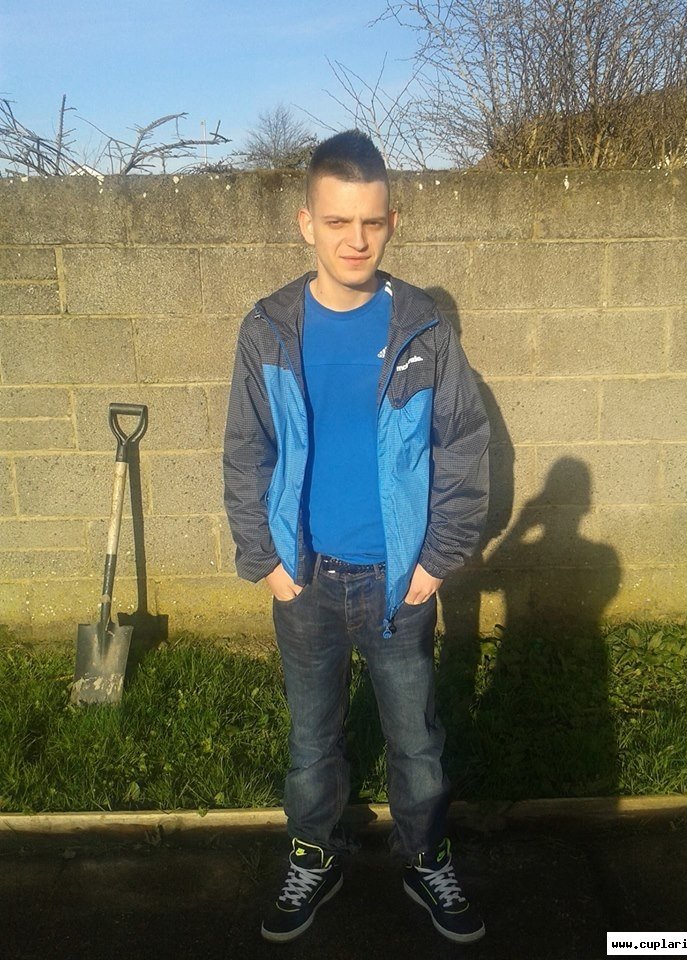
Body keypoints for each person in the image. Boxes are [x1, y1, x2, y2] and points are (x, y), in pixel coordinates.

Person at [223, 130, 490, 945]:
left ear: (392, 222)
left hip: (399, 583)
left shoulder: (422, 328)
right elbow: (246, 450)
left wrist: (436, 561)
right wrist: (266, 562)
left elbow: (463, 444)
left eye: (371, 222)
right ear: (306, 222)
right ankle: (315, 853)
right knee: (312, 742)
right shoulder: (269, 328)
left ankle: (424, 857)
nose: (355, 239)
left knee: (416, 741)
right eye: (337, 221)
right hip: (305, 580)